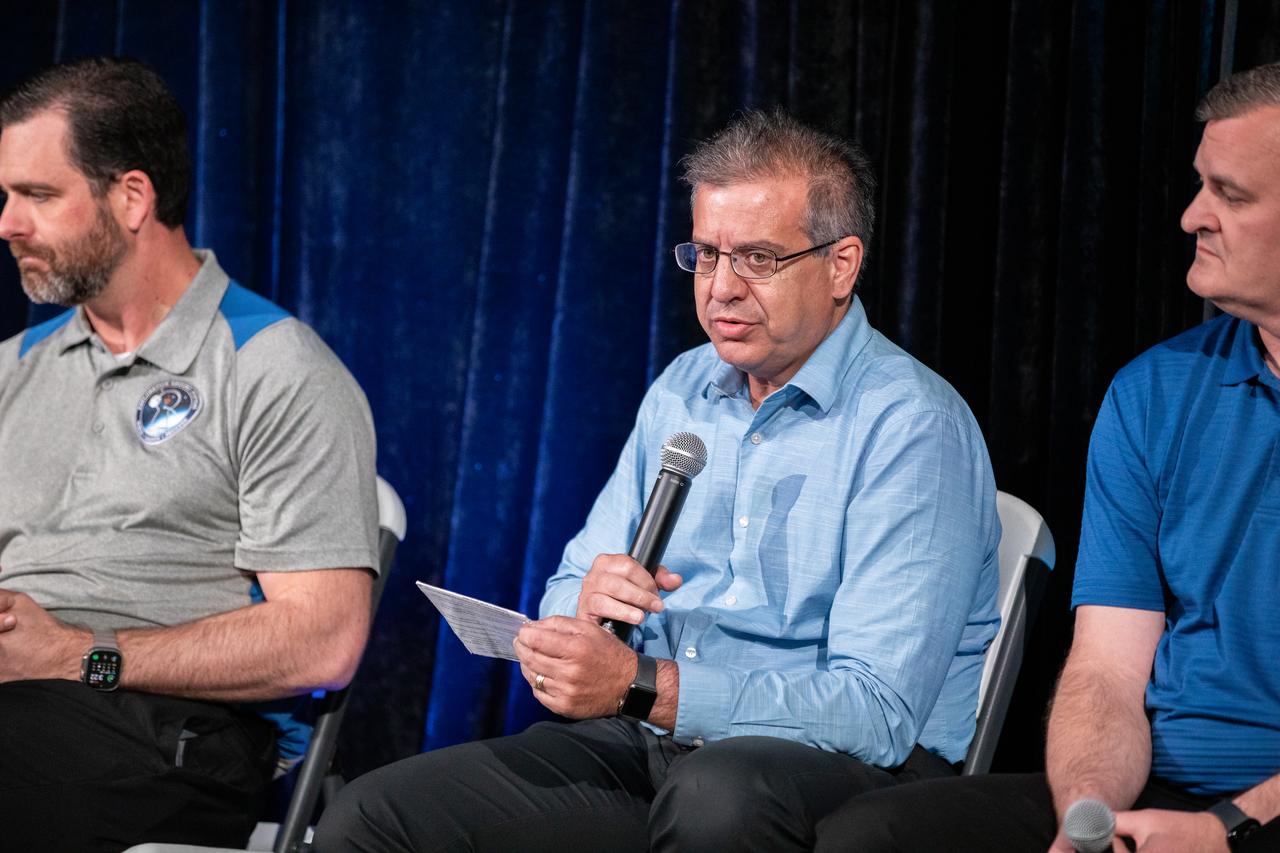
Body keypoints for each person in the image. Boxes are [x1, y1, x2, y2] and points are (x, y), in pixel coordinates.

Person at [314, 109, 1000, 853]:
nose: (722, 288)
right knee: (372, 814)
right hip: (660, 746)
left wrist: (644, 685)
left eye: (758, 259)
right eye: (706, 255)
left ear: (841, 265)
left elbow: (877, 712)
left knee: (714, 799)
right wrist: (585, 611)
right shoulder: (684, 388)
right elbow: (571, 581)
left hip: (848, 774)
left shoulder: (912, 425)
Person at [812, 61, 1280, 853]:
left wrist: (1224, 830)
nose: (1192, 216)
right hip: (1163, 788)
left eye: (1231, 195)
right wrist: (1093, 820)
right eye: (1200, 185)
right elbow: (1106, 668)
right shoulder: (1154, 393)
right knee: (875, 836)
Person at [0, 57, 380, 851]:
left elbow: (324, 642)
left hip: (165, 730)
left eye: (37, 195)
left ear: (131, 197)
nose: (8, 222)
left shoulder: (277, 369)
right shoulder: (14, 369)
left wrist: (79, 656)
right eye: (8, 195)